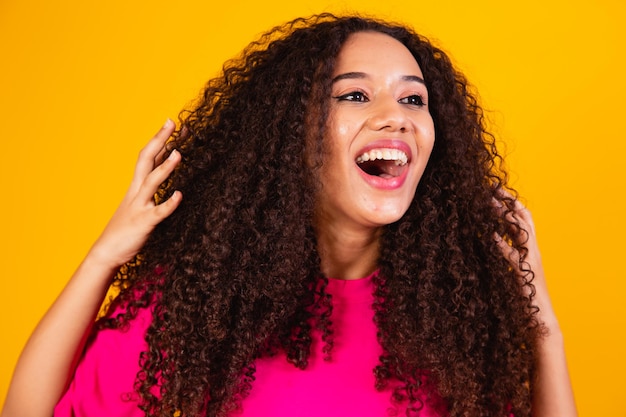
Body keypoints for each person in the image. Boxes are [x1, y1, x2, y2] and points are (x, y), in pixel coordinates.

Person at [1, 13, 576, 417]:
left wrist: (539, 316)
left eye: (412, 99)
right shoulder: (207, 300)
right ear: (288, 135)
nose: (395, 117)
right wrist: (104, 256)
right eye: (353, 96)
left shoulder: (457, 319)